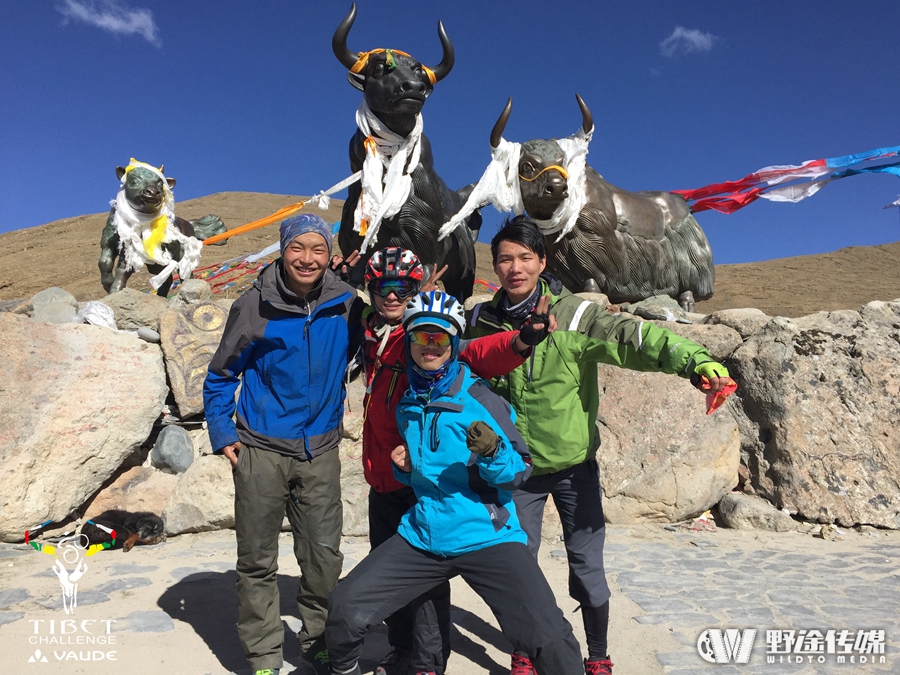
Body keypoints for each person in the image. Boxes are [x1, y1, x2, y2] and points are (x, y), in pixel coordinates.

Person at [466, 216, 736, 675]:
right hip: (514, 471)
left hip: (575, 467)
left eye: (525, 258)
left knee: (587, 570)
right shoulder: (481, 320)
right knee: (517, 568)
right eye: (505, 259)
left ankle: (597, 655)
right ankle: (524, 649)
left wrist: (695, 361)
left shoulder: (573, 315)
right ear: (494, 265)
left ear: (542, 262)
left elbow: (635, 338)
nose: (515, 268)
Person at [325, 290, 585, 675]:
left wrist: (495, 451)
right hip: (425, 536)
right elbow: (426, 475)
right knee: (346, 608)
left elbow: (518, 471)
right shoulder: (409, 404)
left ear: (453, 342)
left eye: (440, 338)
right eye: (421, 337)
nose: (430, 347)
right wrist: (405, 468)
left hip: (487, 534)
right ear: (409, 340)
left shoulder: (480, 398)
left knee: (547, 637)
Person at [359, 247, 554, 675]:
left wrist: (522, 339)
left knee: (426, 584)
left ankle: (428, 661)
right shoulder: (368, 334)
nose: (392, 296)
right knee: (390, 579)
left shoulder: (432, 340)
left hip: (423, 479)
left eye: (404, 289)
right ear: (370, 291)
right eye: (383, 287)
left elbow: (483, 351)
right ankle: (402, 648)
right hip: (384, 475)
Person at [203, 213, 365, 675]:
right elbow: (221, 374)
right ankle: (263, 657)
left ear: (330, 255)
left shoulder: (347, 302)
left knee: (323, 557)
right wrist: (222, 431)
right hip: (260, 450)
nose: (307, 259)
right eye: (298, 248)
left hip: (320, 451)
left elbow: (368, 344)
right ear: (282, 250)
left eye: (317, 249)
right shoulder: (254, 306)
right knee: (256, 560)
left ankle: (317, 641)